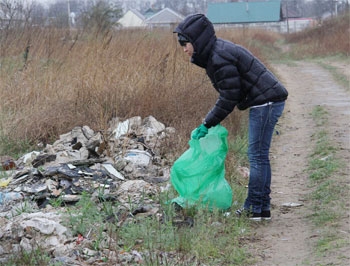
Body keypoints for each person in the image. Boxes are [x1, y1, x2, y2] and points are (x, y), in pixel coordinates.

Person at [174, 14, 288, 221]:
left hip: (267, 101)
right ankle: (260, 208)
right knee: (259, 155)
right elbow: (231, 93)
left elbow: (229, 96)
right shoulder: (215, 54)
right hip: (265, 100)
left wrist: (207, 123)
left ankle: (254, 208)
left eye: (185, 43)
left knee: (257, 156)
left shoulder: (219, 57)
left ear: (197, 41)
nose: (184, 49)